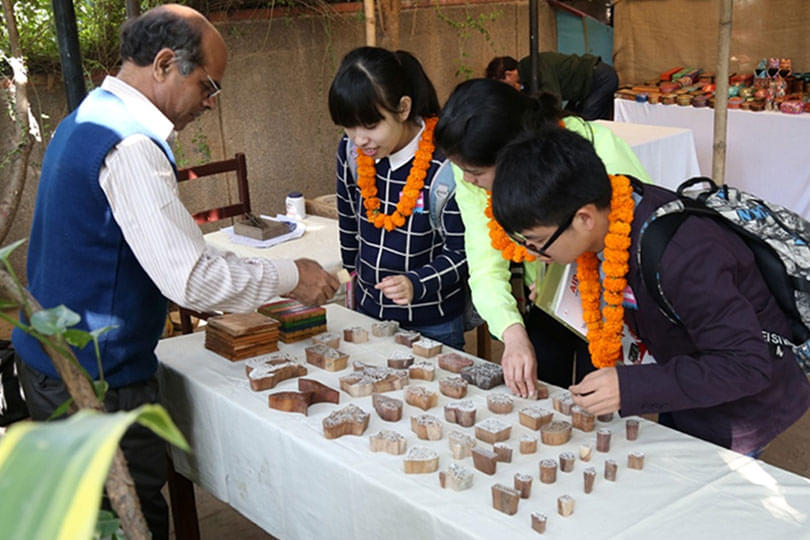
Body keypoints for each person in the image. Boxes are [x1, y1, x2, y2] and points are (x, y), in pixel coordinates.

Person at [11, 5, 338, 538]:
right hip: (94, 381)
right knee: (126, 521)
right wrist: (292, 276)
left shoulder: (89, 115)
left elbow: (169, 256)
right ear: (164, 64)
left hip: (56, 362)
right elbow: (190, 279)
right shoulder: (130, 145)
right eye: (209, 85)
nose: (211, 102)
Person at [491, 126, 810, 455]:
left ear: (584, 218)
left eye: (538, 242)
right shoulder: (616, 209)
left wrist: (628, 387)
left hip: (738, 410)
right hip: (684, 378)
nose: (532, 253)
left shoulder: (685, 257)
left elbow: (746, 365)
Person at [434, 78, 650, 398]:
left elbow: (635, 240)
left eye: (476, 172)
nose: (467, 179)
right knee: (541, 393)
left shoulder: (596, 148)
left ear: (514, 154)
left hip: (610, 301)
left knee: (602, 399)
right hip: (544, 301)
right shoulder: (471, 171)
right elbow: (485, 263)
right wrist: (512, 333)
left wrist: (569, 277)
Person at [329, 47, 468, 350]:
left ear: (403, 109)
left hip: (433, 323)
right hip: (369, 314)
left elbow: (464, 252)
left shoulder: (446, 166)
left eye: (371, 125)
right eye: (349, 126)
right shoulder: (351, 152)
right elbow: (349, 222)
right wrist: (352, 279)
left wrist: (416, 283)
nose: (359, 138)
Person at [518, 52, 618, 120]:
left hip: (601, 78)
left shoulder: (536, 66)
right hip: (596, 79)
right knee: (584, 120)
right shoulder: (528, 73)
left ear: (510, 74)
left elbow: (553, 99)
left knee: (585, 122)